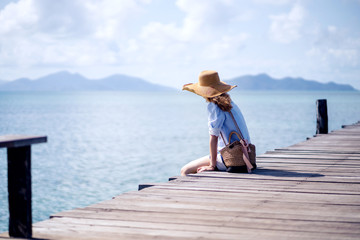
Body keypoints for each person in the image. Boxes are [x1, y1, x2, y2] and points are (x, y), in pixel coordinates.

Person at [181, 70, 252, 176]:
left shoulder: (214, 106)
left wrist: (212, 166)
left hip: (231, 158)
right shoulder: (230, 104)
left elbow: (213, 138)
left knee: (185, 170)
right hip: (247, 155)